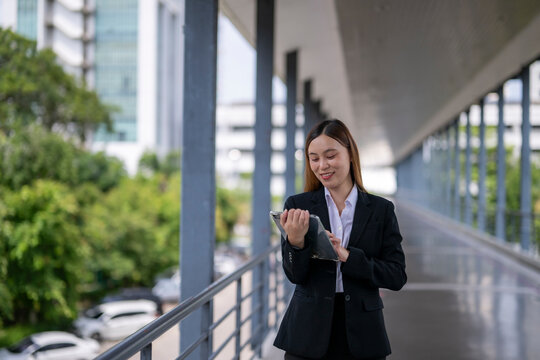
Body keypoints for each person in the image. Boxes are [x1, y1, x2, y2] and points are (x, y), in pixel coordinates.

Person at [273, 119, 407, 360]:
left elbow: (396, 276)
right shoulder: (298, 206)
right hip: (306, 332)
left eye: (330, 156)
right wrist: (296, 243)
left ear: (351, 155)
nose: (322, 165)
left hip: (363, 334)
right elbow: (295, 276)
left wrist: (347, 256)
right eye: (314, 158)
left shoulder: (381, 210)